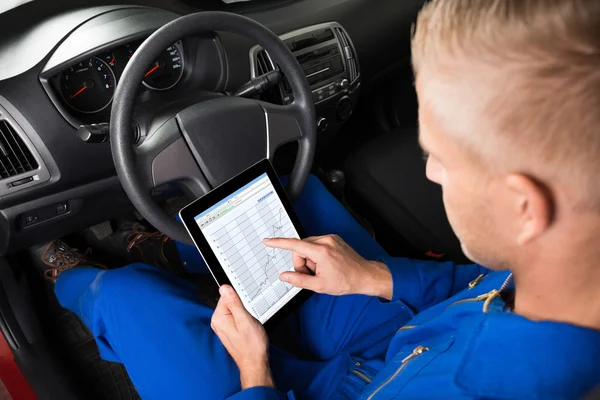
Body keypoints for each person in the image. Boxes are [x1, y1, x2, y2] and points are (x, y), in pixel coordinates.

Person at [49, 0, 600, 398]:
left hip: (300, 388)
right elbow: (478, 287)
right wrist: (376, 279)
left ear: (525, 206)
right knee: (291, 193)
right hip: (399, 335)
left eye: (442, 158)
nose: (430, 171)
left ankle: (66, 273)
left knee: (129, 298)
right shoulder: (567, 281)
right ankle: (176, 252)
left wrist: (255, 371)